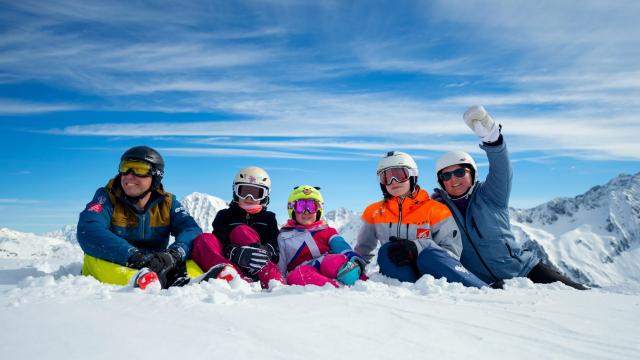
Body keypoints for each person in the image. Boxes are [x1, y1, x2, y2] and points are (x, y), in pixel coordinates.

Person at [431, 105, 588, 290]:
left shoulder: (491, 194)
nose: (453, 179)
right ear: (441, 182)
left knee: (580, 295)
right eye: (446, 176)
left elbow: (501, 168)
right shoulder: (437, 209)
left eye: (459, 172)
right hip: (485, 285)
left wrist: (492, 139)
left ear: (472, 174)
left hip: (525, 271)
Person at [77, 146, 228, 290]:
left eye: (139, 170)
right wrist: (133, 256)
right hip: (117, 261)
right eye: (125, 168)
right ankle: (138, 280)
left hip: (155, 264)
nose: (129, 175)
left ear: (156, 176)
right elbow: (89, 229)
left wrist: (174, 254)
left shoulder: (167, 203)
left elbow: (190, 229)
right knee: (93, 258)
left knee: (189, 253)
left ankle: (193, 280)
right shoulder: (107, 197)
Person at [355, 151, 487, 288]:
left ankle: (481, 288)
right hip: (401, 274)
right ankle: (411, 297)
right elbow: (362, 250)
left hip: (434, 272)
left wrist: (417, 247)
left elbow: (451, 254)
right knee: (387, 251)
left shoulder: (435, 209)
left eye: (400, 175)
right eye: (386, 177)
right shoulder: (374, 212)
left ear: (412, 176)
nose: (393, 182)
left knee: (428, 256)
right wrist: (355, 264)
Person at [191, 166, 285, 289]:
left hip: (259, 268)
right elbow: (219, 241)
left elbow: (275, 245)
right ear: (235, 192)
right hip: (232, 264)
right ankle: (230, 275)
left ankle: (274, 281)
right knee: (203, 239)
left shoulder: (268, 218)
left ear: (265, 196)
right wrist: (234, 252)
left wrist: (265, 250)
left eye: (256, 193)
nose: (249, 197)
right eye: (244, 191)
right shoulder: (225, 215)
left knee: (241, 231)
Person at [277, 185, 366, 287]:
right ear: (292, 209)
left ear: (319, 209)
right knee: (298, 275)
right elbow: (280, 266)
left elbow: (339, 245)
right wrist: (280, 281)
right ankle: (335, 289)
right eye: (301, 206)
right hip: (302, 273)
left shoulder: (327, 231)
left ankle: (359, 281)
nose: (306, 211)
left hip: (327, 266)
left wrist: (351, 256)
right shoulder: (284, 237)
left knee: (336, 261)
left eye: (311, 206)